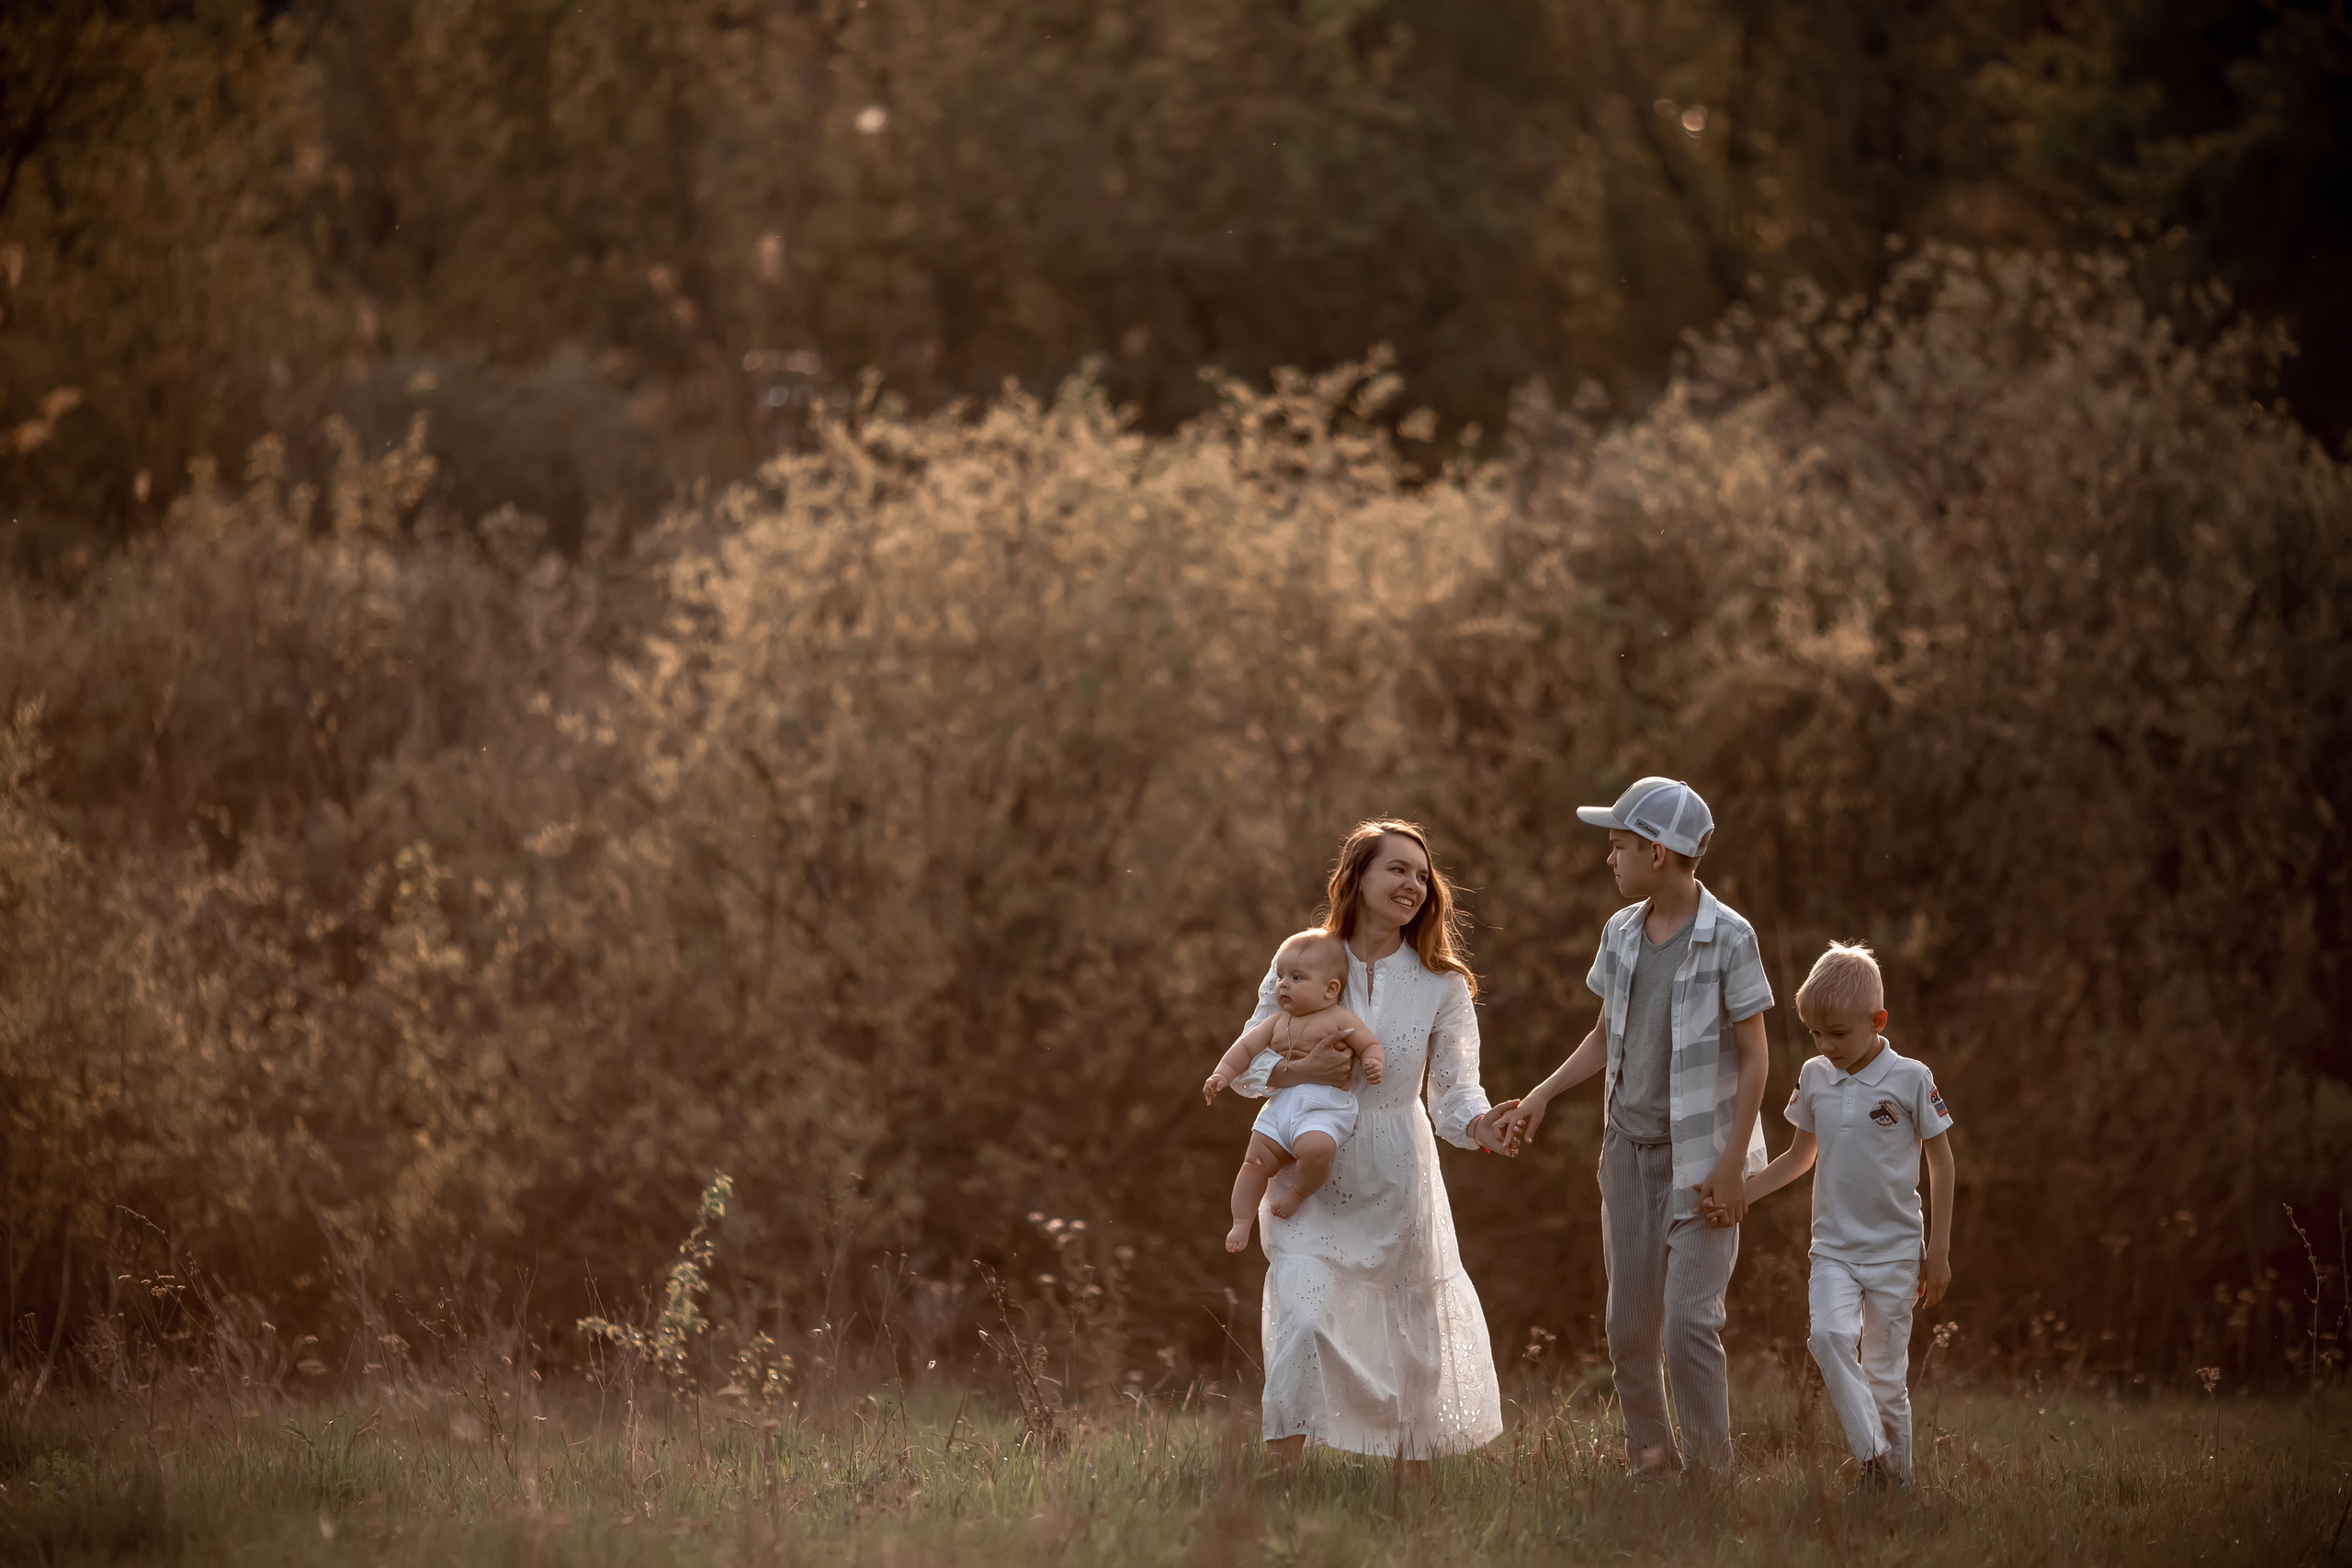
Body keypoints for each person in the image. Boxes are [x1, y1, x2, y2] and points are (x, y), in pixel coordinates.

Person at [1496, 777, 1772, 1477]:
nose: (1607, 859)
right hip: (1626, 1152)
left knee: (1689, 1324)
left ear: (1657, 851)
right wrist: (1542, 1093)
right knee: (1628, 1327)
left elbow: (1756, 1053)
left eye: (1617, 846)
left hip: (1705, 1157)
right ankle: (1653, 1466)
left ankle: (1711, 1478)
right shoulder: (1620, 933)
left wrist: (1735, 1163)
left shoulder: (1730, 937)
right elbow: (1603, 1034)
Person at [1221, 819, 1518, 1464]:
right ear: (1356, 877)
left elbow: (1455, 1095)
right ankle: (1281, 1481)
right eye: (1397, 868)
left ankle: (1410, 1488)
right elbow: (1244, 1065)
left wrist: (1484, 1124)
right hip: (1311, 1168)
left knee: (1411, 1339)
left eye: (1422, 873)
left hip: (1396, 1172)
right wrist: (1300, 1072)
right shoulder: (1301, 959)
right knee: (1301, 1314)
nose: (1413, 883)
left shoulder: (1442, 984)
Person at [1743, 942, 1955, 1489]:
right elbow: (1799, 1156)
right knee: (1830, 1338)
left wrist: (1940, 1253)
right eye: (1816, 1033)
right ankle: (1873, 1455)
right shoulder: (1815, 1076)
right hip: (1833, 1249)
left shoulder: (1911, 1078)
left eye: (1838, 1033)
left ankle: (1894, 1487)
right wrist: (1742, 1194)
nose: (1826, 1045)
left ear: (1877, 1020)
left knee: (1887, 1377)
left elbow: (1943, 1165)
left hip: (1897, 1253)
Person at [1204, 929, 1388, 1253]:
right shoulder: (1276, 1021)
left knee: (1317, 1149)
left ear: (1330, 989)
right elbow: (1244, 1050)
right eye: (1281, 976)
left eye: (1297, 977)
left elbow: (1369, 1043)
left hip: (1323, 1109)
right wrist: (1221, 1073)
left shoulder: (1338, 1019)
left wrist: (1373, 1062)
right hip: (1281, 1108)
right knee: (1253, 1163)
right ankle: (1241, 1220)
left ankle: (1298, 1193)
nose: (1284, 984)